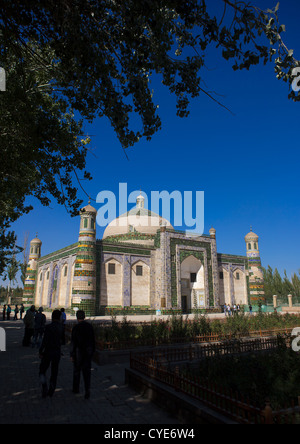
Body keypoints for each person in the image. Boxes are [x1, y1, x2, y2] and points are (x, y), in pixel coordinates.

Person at [70, 310, 95, 400]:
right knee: (87, 373)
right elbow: (93, 340)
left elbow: (73, 342)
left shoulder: (76, 328)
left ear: (77, 317)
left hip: (78, 354)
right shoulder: (89, 327)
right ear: (84, 317)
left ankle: (76, 388)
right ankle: (87, 390)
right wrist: (92, 352)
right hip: (87, 354)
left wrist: (72, 354)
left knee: (77, 372)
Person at [39, 309, 62, 398]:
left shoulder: (48, 327)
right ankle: (51, 389)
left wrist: (41, 351)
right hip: (57, 352)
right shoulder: (61, 328)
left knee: (42, 370)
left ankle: (44, 386)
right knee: (54, 372)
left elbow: (45, 341)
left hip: (48, 351)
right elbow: (62, 341)